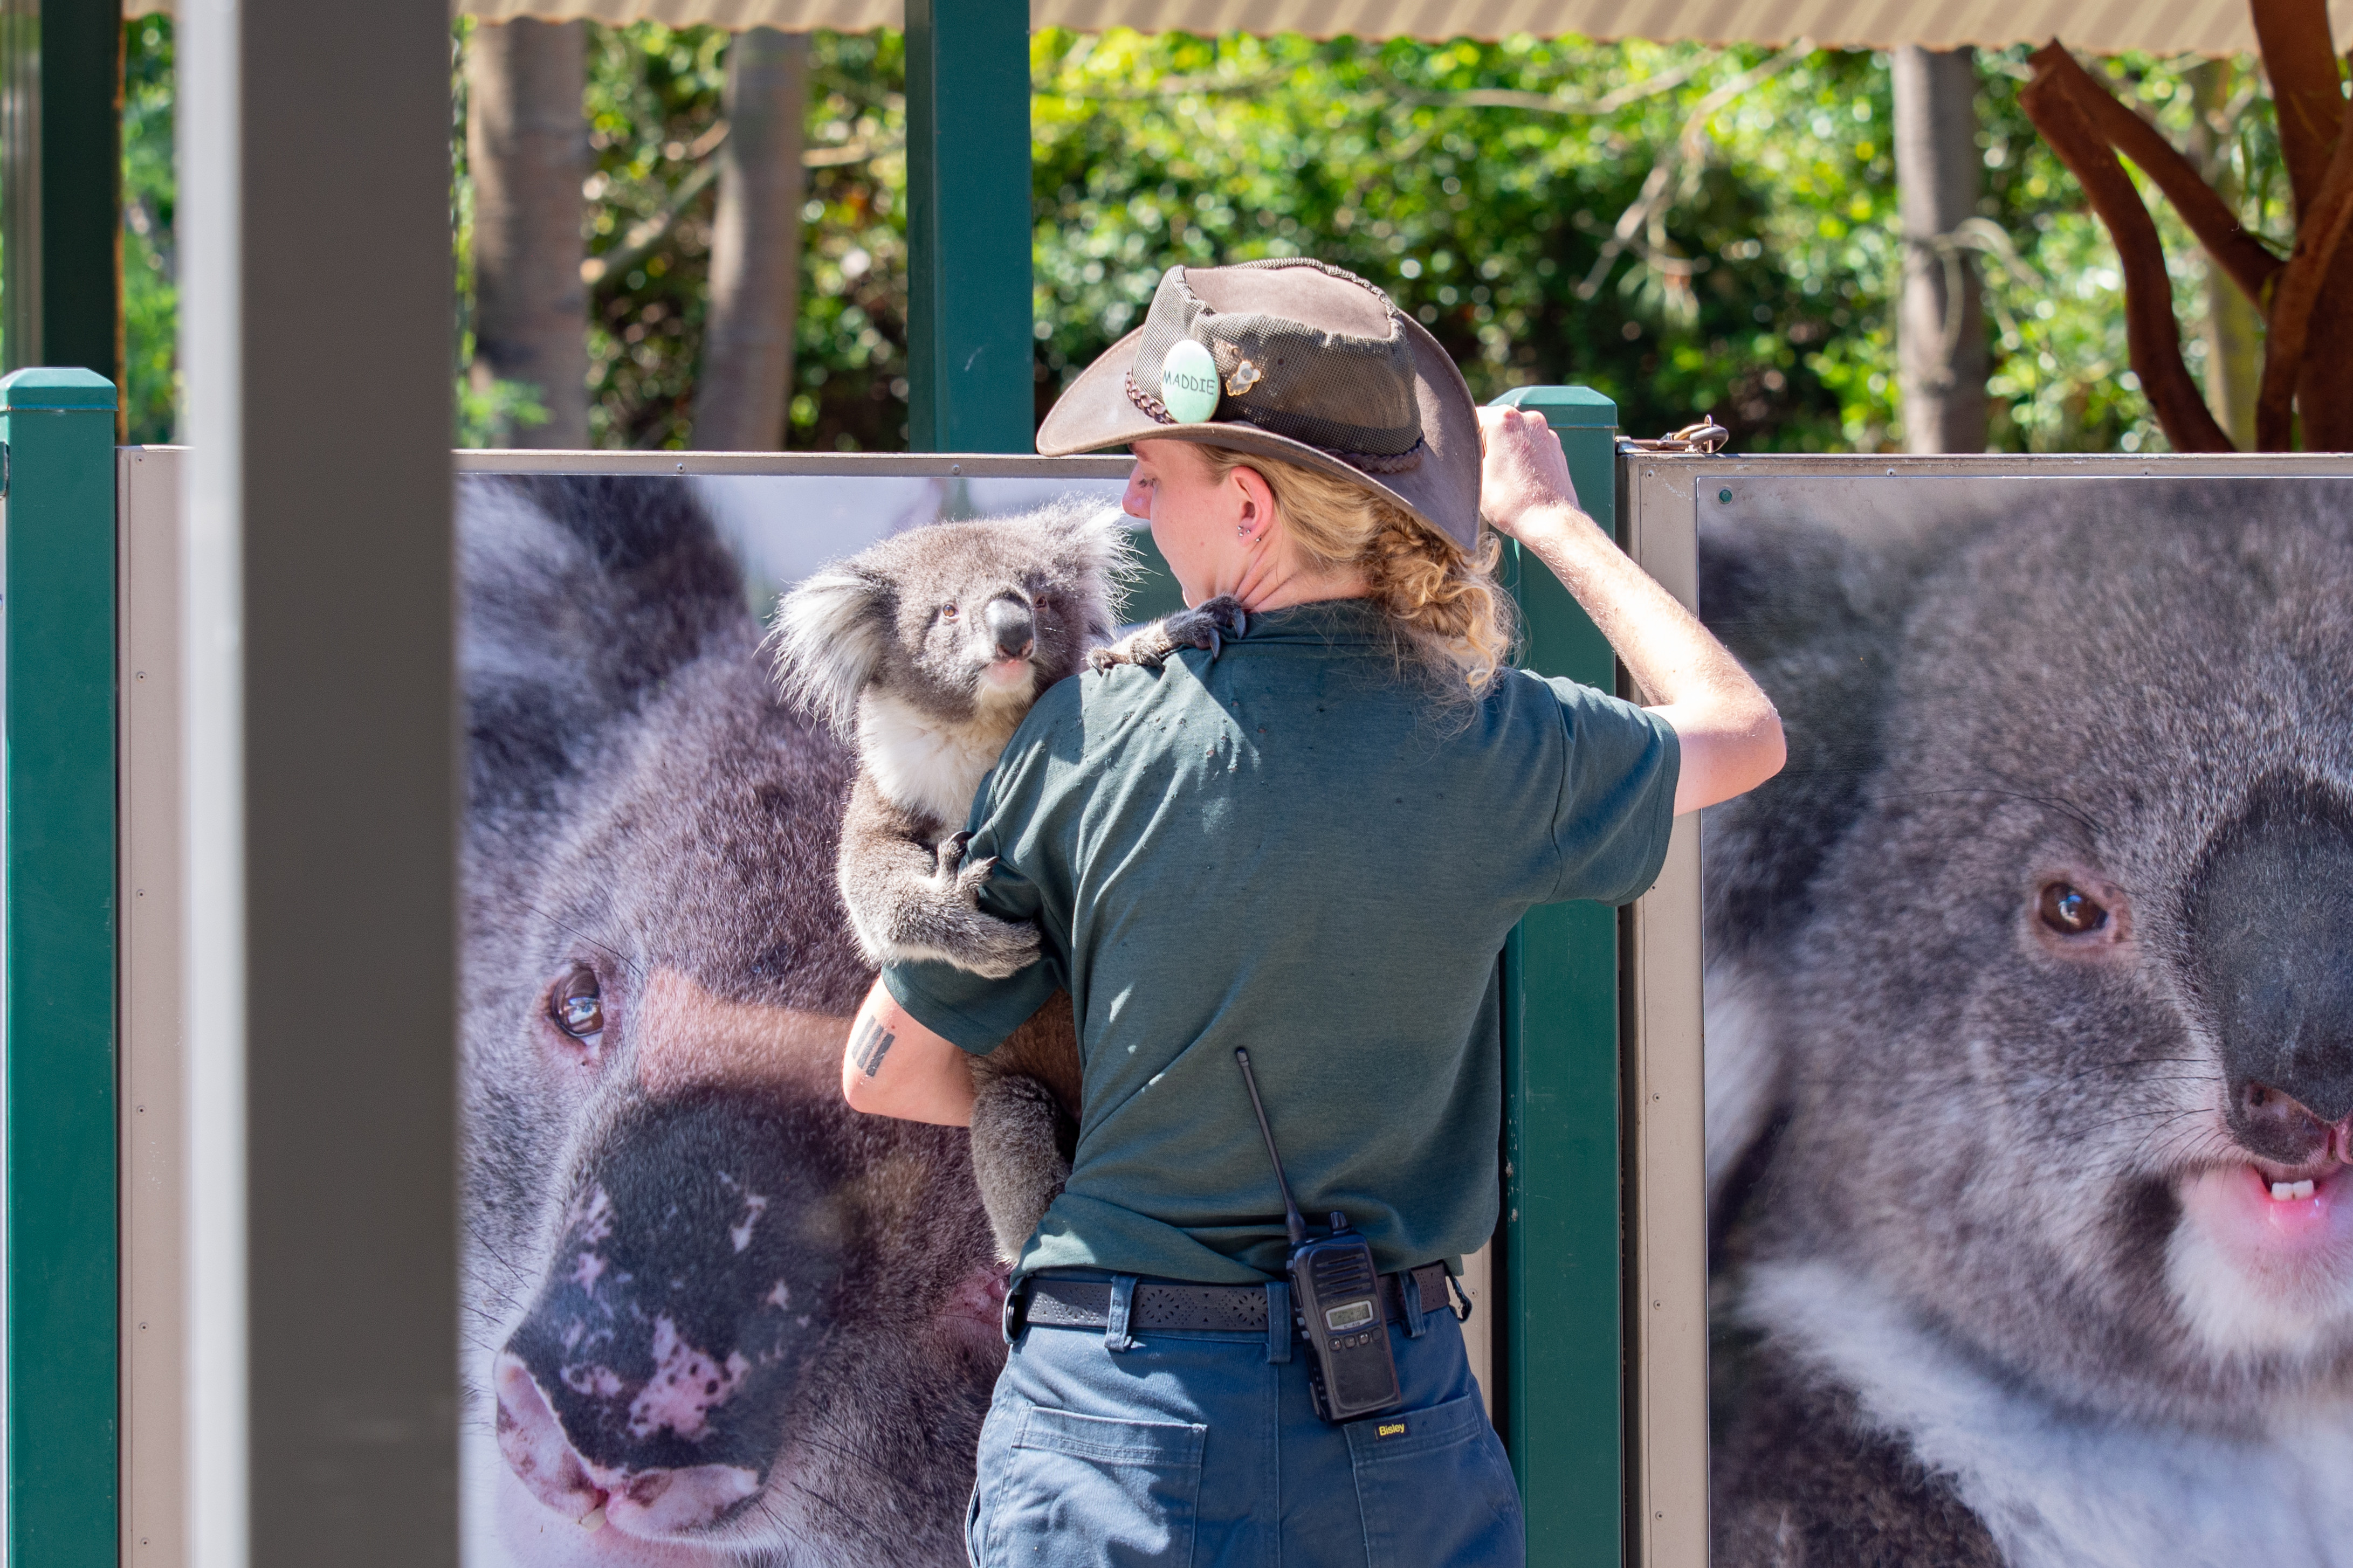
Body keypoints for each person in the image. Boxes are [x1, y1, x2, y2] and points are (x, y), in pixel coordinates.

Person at [840, 257, 1783, 1566]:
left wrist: (1099, 1091)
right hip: (1390, 1422)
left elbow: (885, 1071)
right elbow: (1740, 734)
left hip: (1126, 1413)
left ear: (1244, 503)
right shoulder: (1495, 735)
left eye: (1152, 473)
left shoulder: (1085, 742)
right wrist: (1554, 521)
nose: (1128, 500)